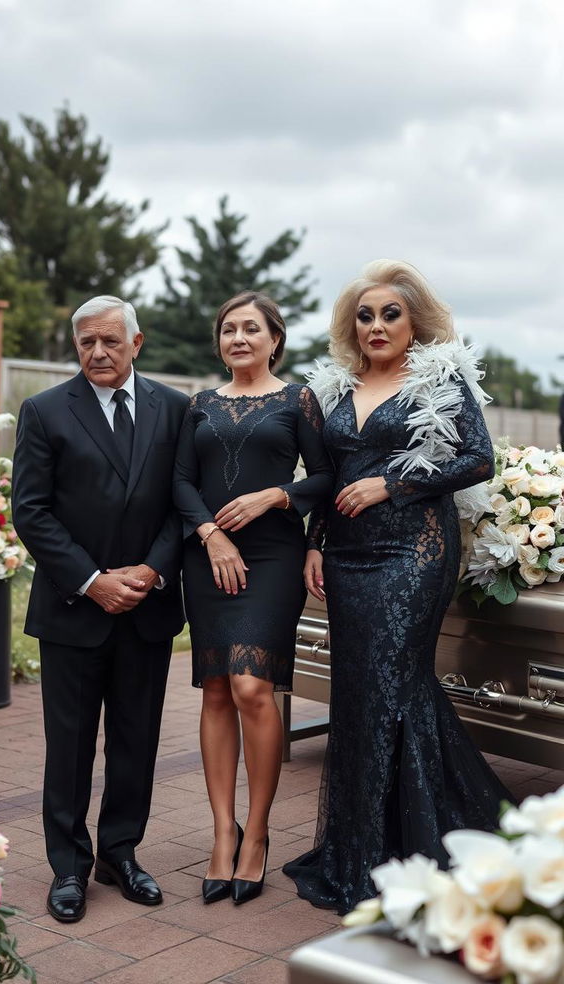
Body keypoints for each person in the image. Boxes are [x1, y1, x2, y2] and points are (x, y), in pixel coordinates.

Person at [283, 260, 511, 915]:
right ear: (350, 326)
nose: (377, 325)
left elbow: (477, 458)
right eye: (365, 315)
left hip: (415, 548)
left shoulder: (438, 378)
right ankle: (373, 845)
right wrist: (313, 544)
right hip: (347, 557)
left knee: (391, 679)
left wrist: (394, 483)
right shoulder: (333, 389)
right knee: (363, 691)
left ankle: (410, 852)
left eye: (390, 314)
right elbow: (324, 473)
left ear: (414, 323)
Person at [12, 295, 188, 923]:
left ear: (136, 344)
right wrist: (91, 580)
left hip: (146, 606)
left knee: (136, 742)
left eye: (111, 341)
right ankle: (69, 867)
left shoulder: (175, 408)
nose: (97, 353)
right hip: (73, 610)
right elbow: (29, 510)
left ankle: (120, 853)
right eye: (86, 342)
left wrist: (150, 570)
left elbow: (181, 502)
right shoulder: (44, 411)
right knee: (70, 746)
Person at [173, 291, 333, 905]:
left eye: (251, 329)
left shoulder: (298, 401)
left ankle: (258, 832)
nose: (238, 338)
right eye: (229, 330)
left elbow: (325, 479)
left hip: (271, 557)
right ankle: (222, 833)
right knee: (216, 688)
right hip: (208, 557)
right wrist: (211, 535)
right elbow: (181, 482)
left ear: (274, 338)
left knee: (251, 687)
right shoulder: (200, 405)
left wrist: (275, 496)